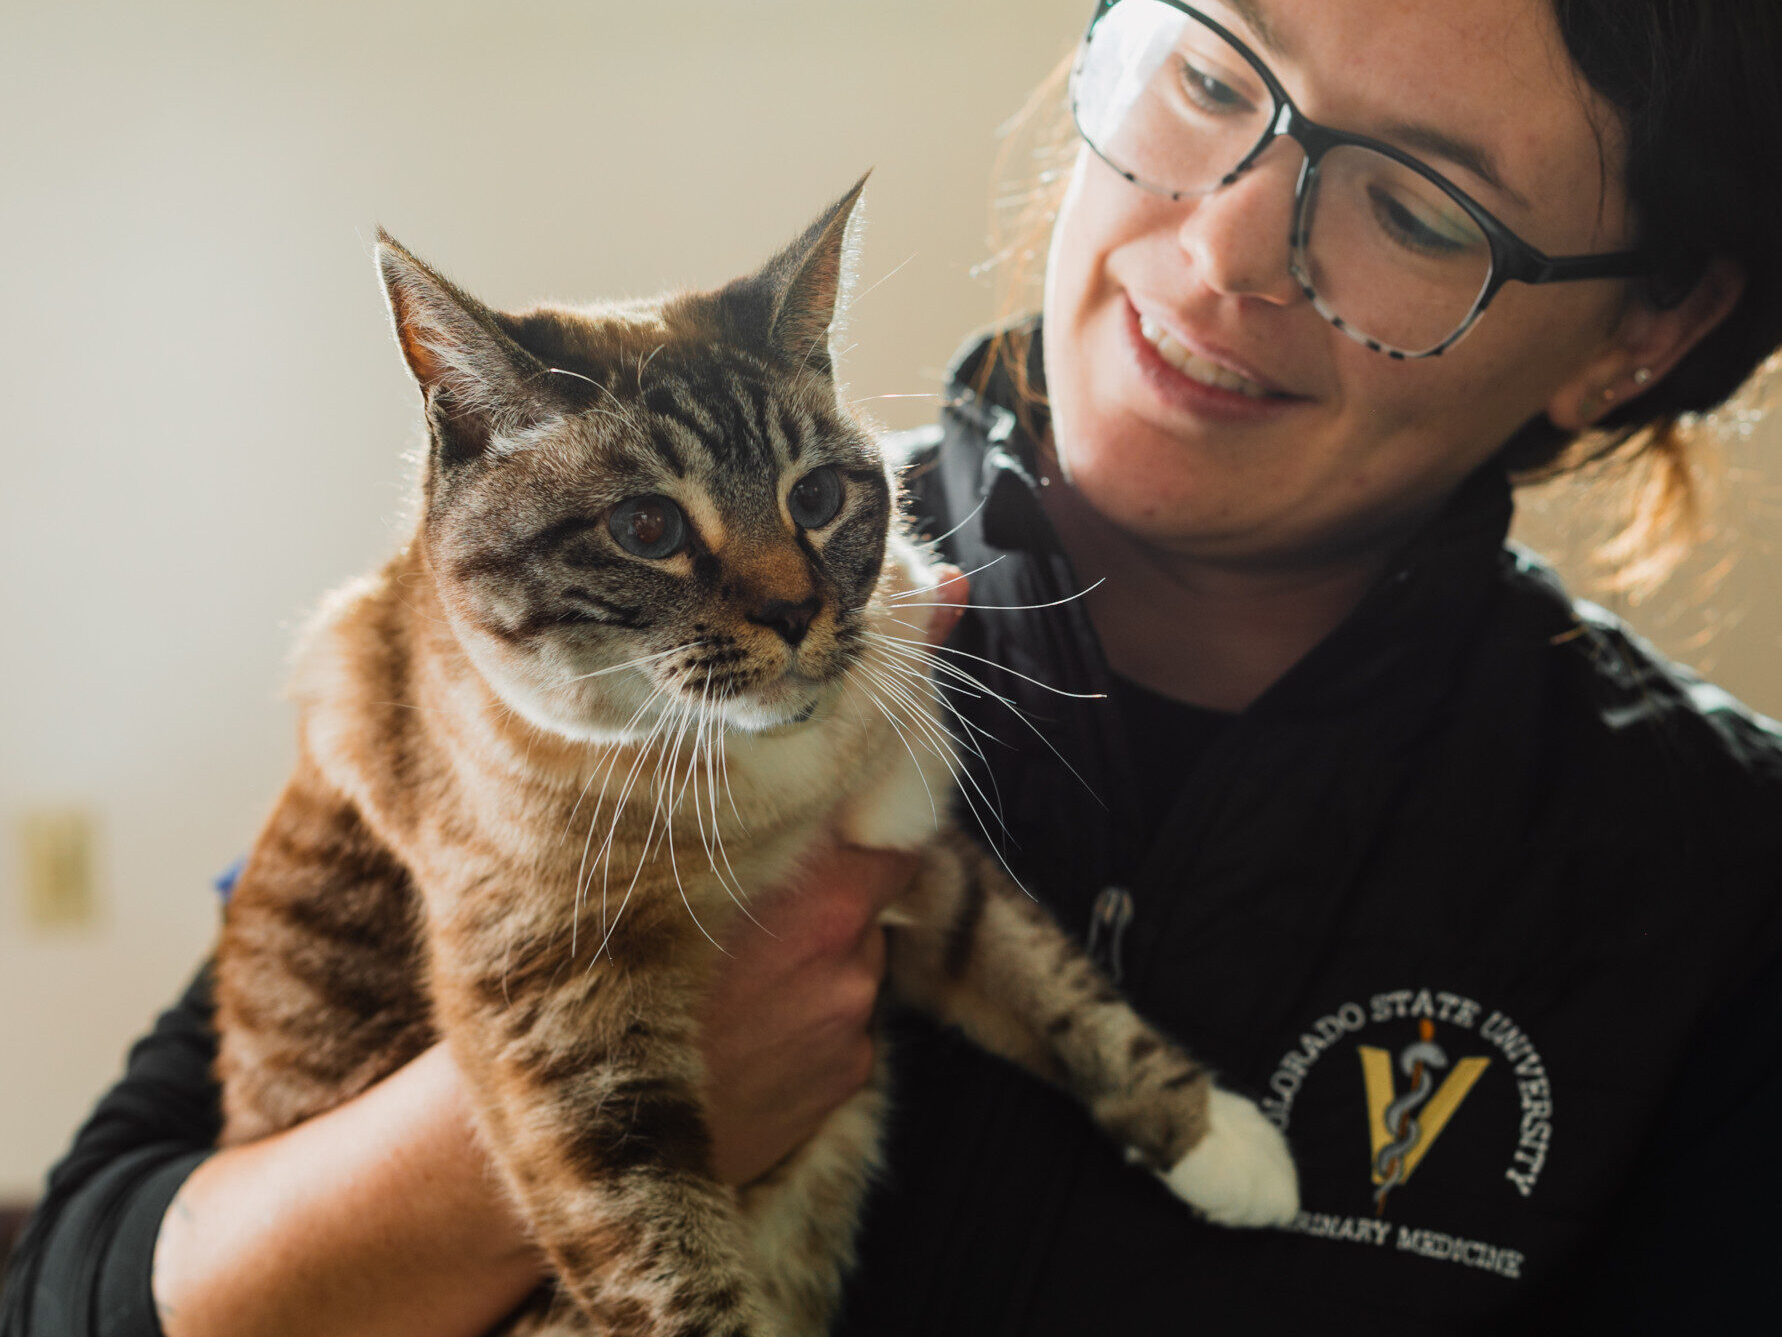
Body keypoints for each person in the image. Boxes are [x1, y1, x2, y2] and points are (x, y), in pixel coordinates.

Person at [7, 1, 1782, 1332]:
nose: (1226, 243)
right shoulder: (525, 667)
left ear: (1645, 331)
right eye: (1211, 80)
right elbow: (87, 1281)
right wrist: (566, 1111)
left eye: (1413, 207)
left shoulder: (1711, 875)